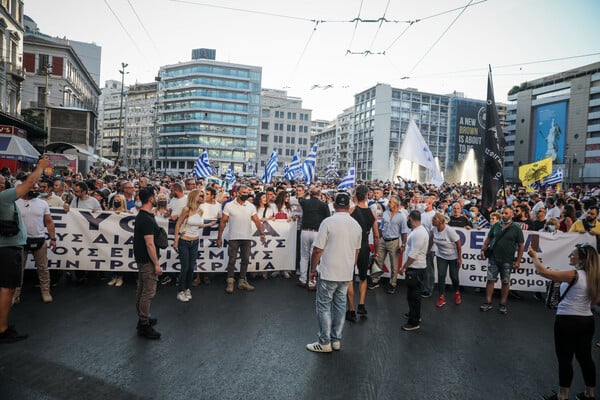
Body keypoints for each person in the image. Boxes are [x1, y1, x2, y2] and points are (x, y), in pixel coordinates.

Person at [529, 244, 600, 400]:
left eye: (572, 254)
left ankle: (562, 396)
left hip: (567, 320)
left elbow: (542, 272)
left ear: (581, 259)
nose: (570, 256)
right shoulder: (595, 277)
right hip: (587, 320)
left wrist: (534, 256)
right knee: (585, 358)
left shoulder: (574, 275)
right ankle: (589, 394)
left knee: (565, 359)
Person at [0, 156, 50, 343]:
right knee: (8, 288)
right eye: (2, 182)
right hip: (8, 248)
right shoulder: (3, 197)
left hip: (6, 247)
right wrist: (40, 167)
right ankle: (3, 329)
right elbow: (29, 183)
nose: (6, 183)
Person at [306, 192, 362, 353]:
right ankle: (336, 340)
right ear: (348, 206)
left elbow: (317, 250)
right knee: (340, 305)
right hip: (346, 272)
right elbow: (356, 252)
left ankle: (324, 342)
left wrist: (312, 270)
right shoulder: (356, 225)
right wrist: (351, 267)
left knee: (324, 306)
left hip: (329, 271)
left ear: (335, 205)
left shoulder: (328, 222)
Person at [217, 185, 266, 294]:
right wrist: (219, 237)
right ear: (238, 193)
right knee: (232, 260)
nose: (246, 194)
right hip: (234, 237)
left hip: (247, 237)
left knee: (245, 260)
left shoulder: (250, 206)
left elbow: (257, 221)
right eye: (243, 192)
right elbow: (223, 222)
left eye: (247, 192)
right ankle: (230, 281)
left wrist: (262, 233)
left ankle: (242, 281)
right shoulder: (229, 205)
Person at [14, 183, 57, 304]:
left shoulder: (42, 203)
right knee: (18, 269)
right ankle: (15, 294)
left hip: (39, 239)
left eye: (36, 187)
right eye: (33, 187)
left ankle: (45, 291)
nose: (36, 189)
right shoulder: (15, 202)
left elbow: (49, 221)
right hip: (20, 241)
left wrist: (53, 239)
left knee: (43, 268)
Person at [480, 206, 525, 314]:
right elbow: (489, 238)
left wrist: (518, 261)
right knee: (490, 280)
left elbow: (521, 245)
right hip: (493, 258)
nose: (503, 215)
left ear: (511, 215)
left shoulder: (516, 228)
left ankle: (503, 304)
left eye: (506, 213)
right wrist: (483, 249)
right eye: (502, 213)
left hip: (507, 260)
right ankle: (488, 302)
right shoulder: (496, 225)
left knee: (505, 282)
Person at [173, 190, 215, 302]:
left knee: (191, 268)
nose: (203, 197)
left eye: (203, 195)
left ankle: (187, 289)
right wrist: (176, 240)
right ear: (194, 197)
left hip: (195, 242)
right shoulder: (186, 209)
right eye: (201, 196)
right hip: (184, 241)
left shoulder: (200, 211)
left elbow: (197, 225)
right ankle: (180, 291)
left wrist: (208, 224)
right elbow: (178, 224)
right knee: (185, 268)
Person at [346, 185, 380, 322]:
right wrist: (376, 252)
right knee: (363, 277)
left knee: (349, 277)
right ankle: (361, 304)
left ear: (355, 195)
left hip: (352, 246)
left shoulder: (351, 210)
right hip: (365, 246)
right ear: (367, 196)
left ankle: (351, 310)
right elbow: (377, 236)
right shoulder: (372, 213)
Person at [133, 187, 163, 340]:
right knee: (148, 292)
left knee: (142, 290)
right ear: (151, 199)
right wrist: (156, 264)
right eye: (155, 196)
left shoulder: (143, 215)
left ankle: (143, 319)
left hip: (142, 259)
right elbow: (149, 243)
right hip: (147, 260)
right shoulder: (145, 218)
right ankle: (144, 325)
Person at [369, 195, 408, 294]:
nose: (388, 203)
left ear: (396, 204)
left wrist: (403, 245)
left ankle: (392, 283)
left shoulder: (401, 217)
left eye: (390, 202)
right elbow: (381, 228)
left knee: (394, 264)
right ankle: (375, 281)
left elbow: (404, 232)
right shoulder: (385, 213)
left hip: (394, 242)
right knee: (378, 261)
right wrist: (378, 240)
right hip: (383, 240)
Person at [398, 210, 429, 331]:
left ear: (410, 218)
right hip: (416, 268)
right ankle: (414, 314)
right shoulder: (418, 231)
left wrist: (404, 267)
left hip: (415, 268)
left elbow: (413, 254)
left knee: (413, 296)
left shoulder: (419, 233)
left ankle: (414, 322)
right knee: (413, 295)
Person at [298, 186, 330, 290]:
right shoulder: (324, 205)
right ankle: (312, 282)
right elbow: (328, 219)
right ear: (320, 195)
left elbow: (301, 198)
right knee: (315, 257)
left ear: (310, 194)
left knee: (304, 256)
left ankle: (302, 279)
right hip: (317, 232)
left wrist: (308, 191)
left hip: (305, 231)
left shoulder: (305, 203)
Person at [431, 212, 462, 307]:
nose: (432, 221)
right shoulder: (433, 229)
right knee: (441, 276)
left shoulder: (449, 231)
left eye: (434, 219)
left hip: (453, 256)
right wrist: (428, 249)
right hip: (441, 255)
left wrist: (459, 258)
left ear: (440, 221)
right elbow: (431, 239)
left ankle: (457, 292)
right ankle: (441, 297)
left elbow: (458, 244)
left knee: (454, 277)